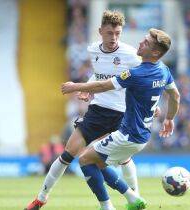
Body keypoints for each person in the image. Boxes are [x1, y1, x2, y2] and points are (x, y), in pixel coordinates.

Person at [25, 10, 142, 210]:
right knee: (67, 154)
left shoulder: (130, 54)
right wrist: (89, 90)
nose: (113, 38)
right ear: (100, 31)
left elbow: (146, 79)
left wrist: (150, 105)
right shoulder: (94, 50)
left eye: (117, 33)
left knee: (119, 160)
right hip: (97, 111)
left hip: (121, 113)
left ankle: (134, 197)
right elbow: (98, 75)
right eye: (109, 33)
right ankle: (41, 198)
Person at [61, 28, 180, 210]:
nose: (141, 43)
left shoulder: (135, 74)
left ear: (155, 52)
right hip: (142, 137)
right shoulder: (164, 70)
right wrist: (169, 118)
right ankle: (132, 198)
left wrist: (75, 86)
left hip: (127, 135)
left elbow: (103, 85)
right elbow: (175, 96)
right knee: (98, 162)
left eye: (146, 43)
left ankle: (108, 206)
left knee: (84, 160)